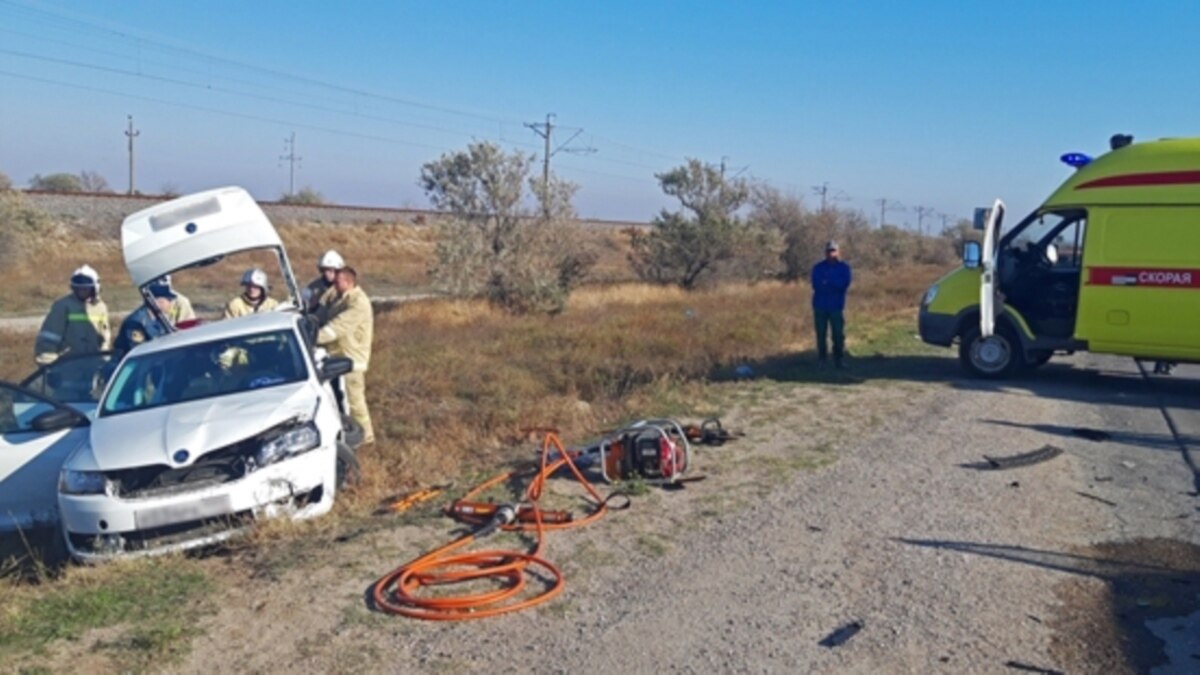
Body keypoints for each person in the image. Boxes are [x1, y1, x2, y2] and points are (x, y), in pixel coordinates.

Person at [317, 266, 375, 445]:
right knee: (341, 401)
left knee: (354, 402)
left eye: (337, 281)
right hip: (338, 359)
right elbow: (323, 311)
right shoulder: (340, 298)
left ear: (349, 282)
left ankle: (366, 438)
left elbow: (336, 328)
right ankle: (348, 436)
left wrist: (312, 338)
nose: (333, 283)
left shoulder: (358, 303)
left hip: (352, 361)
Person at [35, 265, 111, 364]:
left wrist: (105, 362)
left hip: (93, 366)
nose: (82, 291)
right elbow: (48, 341)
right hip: (68, 367)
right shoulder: (62, 306)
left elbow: (105, 340)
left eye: (85, 288)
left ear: (94, 288)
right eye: (78, 288)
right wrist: (51, 368)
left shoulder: (101, 308)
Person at [811, 240, 852, 369]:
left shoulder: (844, 268)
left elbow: (843, 285)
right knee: (821, 334)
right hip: (820, 306)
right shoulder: (818, 268)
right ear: (825, 252)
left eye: (833, 251)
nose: (831, 253)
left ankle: (838, 359)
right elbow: (816, 285)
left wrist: (828, 281)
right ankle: (822, 359)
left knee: (838, 334)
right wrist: (832, 283)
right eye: (829, 251)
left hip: (836, 306)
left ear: (838, 252)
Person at [113, 281, 177, 355]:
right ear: (158, 302)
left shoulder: (159, 318)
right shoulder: (136, 323)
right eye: (168, 300)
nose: (170, 304)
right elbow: (138, 351)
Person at [304, 250, 345, 321]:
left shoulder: (345, 287)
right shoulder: (314, 287)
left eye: (330, 270)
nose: (327, 273)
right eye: (325, 270)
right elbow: (303, 299)